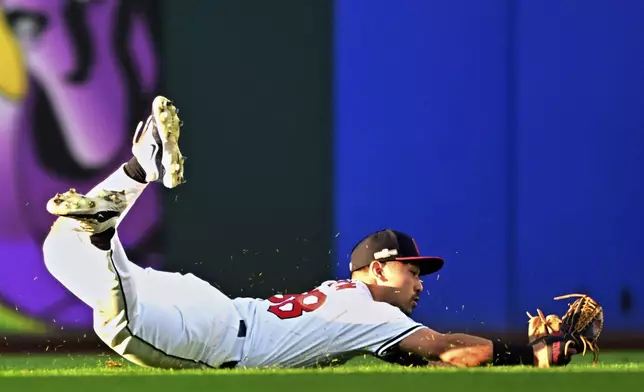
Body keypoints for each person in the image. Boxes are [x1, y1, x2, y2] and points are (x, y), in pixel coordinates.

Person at [42, 96, 577, 370]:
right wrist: (528, 353)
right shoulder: (370, 311)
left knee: (56, 251)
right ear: (376, 268)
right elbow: (445, 349)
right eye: (412, 269)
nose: (420, 282)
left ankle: (137, 170)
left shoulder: (340, 296)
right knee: (114, 317)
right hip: (211, 331)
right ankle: (103, 231)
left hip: (211, 306)